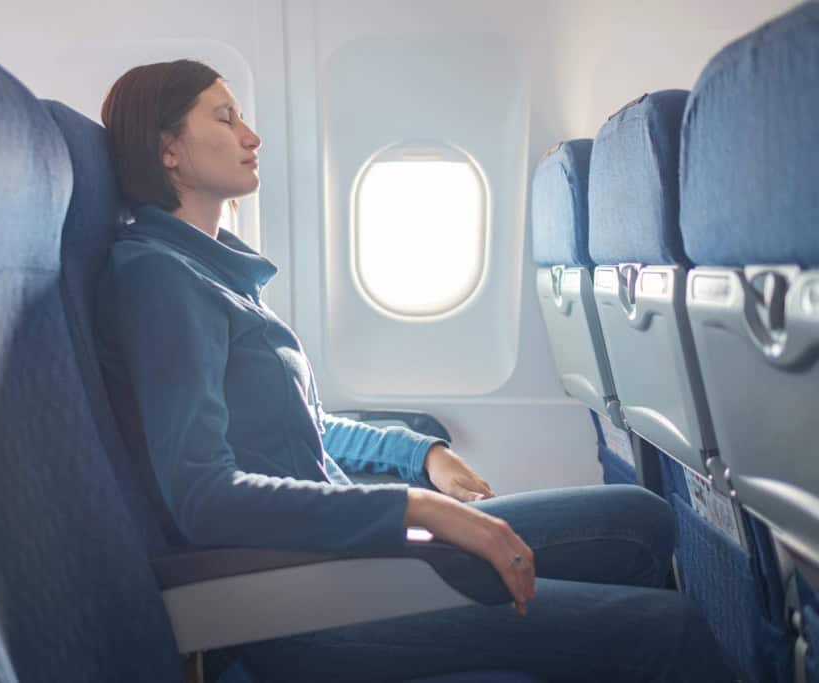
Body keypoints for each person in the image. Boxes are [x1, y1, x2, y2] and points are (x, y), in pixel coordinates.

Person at [95, 59, 733, 682]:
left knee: (638, 518)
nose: (251, 136)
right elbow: (205, 497)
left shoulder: (213, 270)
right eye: (226, 118)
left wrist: (423, 453)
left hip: (347, 559)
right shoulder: (161, 279)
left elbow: (304, 430)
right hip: (307, 602)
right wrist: (420, 510)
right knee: (670, 626)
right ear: (168, 148)